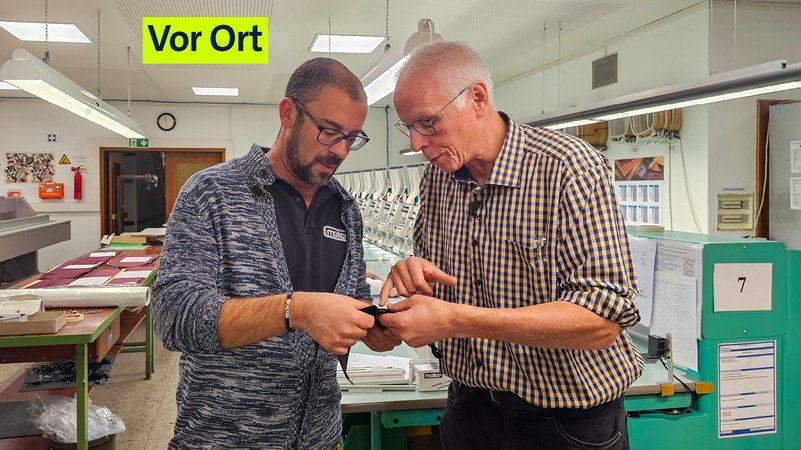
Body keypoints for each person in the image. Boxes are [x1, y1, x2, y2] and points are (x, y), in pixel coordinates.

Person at [378, 41, 643, 450]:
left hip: (566, 423)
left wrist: (457, 319)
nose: (416, 142)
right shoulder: (438, 179)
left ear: (477, 98)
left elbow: (601, 321)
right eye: (408, 126)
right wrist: (411, 272)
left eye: (428, 122)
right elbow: (436, 280)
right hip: (469, 410)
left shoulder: (567, 168)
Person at [152, 57, 400, 449]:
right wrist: (296, 310)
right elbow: (174, 317)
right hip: (223, 440)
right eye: (329, 131)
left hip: (319, 437)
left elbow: (352, 301)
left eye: (352, 138)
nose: (340, 150)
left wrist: (377, 326)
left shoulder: (345, 209)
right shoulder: (212, 193)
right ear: (288, 113)